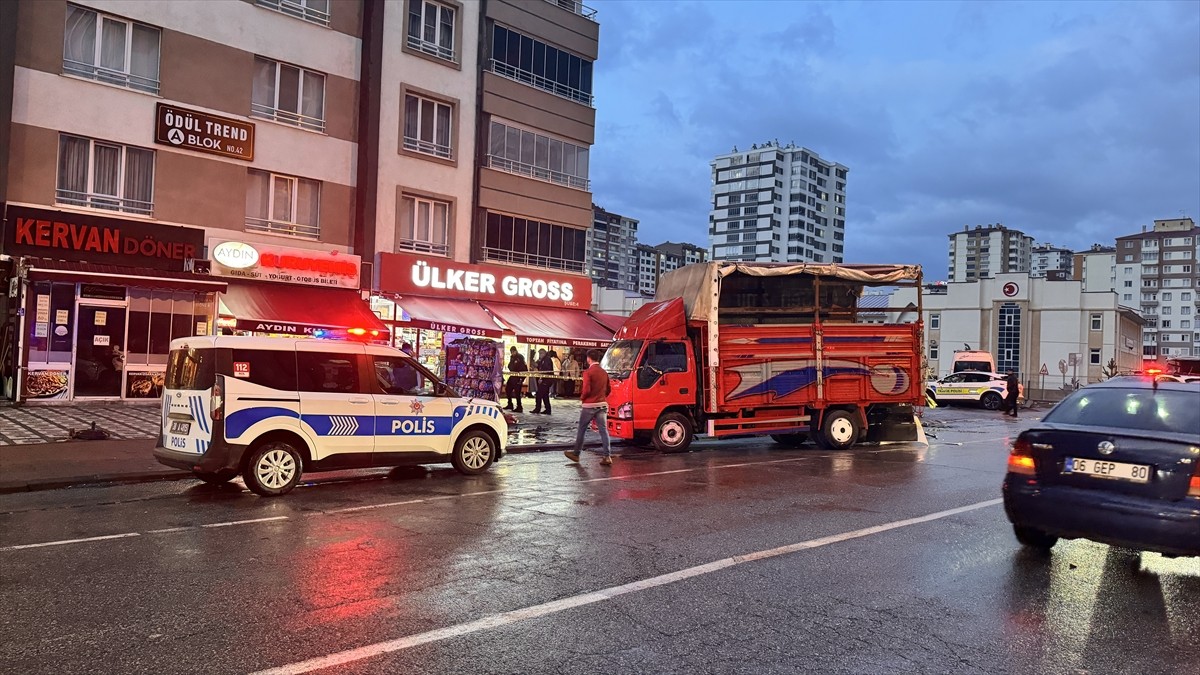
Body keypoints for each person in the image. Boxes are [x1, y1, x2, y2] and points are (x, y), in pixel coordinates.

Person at [565, 349, 612, 466]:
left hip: (589, 405)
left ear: (588, 359)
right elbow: (608, 389)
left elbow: (586, 390)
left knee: (582, 429)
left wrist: (582, 398)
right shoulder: (604, 372)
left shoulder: (588, 373)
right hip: (602, 404)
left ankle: (576, 454)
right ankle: (607, 456)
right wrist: (602, 397)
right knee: (603, 430)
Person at [531, 348, 553, 414]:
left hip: (545, 380)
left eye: (540, 353)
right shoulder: (543, 360)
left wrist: (541, 378)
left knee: (539, 394)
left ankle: (538, 408)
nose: (539, 355)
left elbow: (545, 371)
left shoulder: (547, 360)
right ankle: (548, 409)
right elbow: (539, 367)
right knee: (545, 395)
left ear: (544, 353)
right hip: (545, 380)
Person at [505, 346, 527, 412]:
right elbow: (510, 366)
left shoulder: (520, 357)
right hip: (513, 376)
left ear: (516, 351)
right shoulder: (512, 357)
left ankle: (519, 407)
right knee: (508, 389)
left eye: (513, 351)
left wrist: (521, 379)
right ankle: (510, 404)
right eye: (511, 352)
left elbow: (524, 369)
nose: (512, 353)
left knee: (517, 393)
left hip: (518, 377)